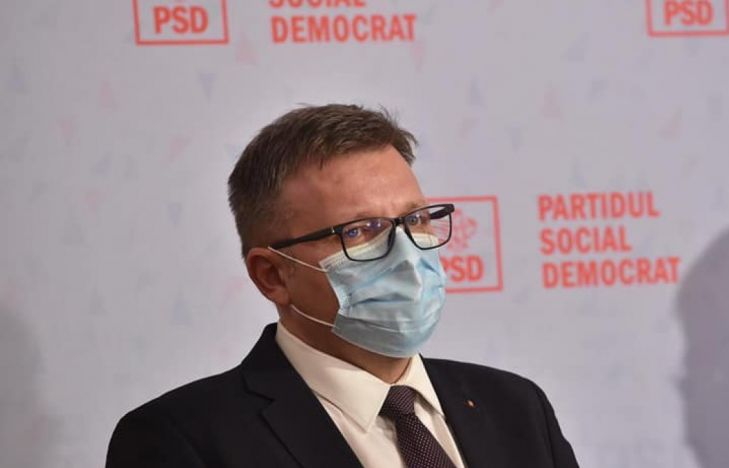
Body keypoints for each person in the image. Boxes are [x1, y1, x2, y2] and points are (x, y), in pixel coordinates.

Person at [106, 104, 579, 468]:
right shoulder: (181, 440)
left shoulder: (516, 407)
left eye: (415, 219)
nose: (407, 253)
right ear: (273, 275)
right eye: (361, 231)